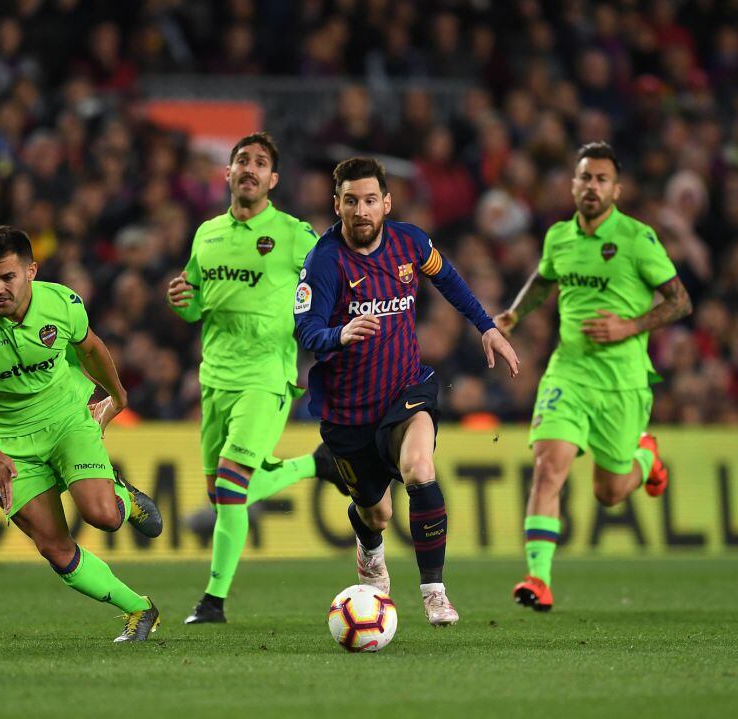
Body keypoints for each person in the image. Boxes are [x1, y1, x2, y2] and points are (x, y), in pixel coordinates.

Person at [294, 157, 520, 626]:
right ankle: (370, 549)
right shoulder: (324, 261)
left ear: (386, 203)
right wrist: (339, 333)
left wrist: (486, 326)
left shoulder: (410, 242)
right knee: (375, 513)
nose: (361, 211)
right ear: (336, 204)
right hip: (348, 411)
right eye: (351, 201)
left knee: (420, 469)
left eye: (370, 200)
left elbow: (449, 280)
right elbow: (306, 330)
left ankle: (434, 593)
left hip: (405, 389)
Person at [0, 226, 163, 642]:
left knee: (103, 517)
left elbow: (91, 349)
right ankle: (139, 609)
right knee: (54, 547)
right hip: (7, 442)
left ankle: (122, 498)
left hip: (65, 419)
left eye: (7, 277)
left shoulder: (62, 304)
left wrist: (117, 396)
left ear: (31, 271)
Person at [495, 142, 690, 612]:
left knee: (609, 493)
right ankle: (538, 579)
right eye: (585, 177)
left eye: (602, 179)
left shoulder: (637, 239)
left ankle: (645, 458)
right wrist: (515, 316)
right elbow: (545, 278)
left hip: (623, 381)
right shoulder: (559, 237)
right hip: (570, 371)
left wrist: (629, 326)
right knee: (548, 467)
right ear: (573, 184)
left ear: (616, 190)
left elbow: (680, 301)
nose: (592, 187)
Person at [167, 132, 342, 625]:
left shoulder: (294, 234)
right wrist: (182, 304)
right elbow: (195, 301)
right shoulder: (206, 235)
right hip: (215, 377)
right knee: (222, 494)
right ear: (227, 173)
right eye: (241, 160)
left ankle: (213, 602)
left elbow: (335, 279)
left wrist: (330, 340)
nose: (249, 168)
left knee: (230, 486)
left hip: (267, 376)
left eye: (260, 163)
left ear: (272, 179)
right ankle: (314, 466)